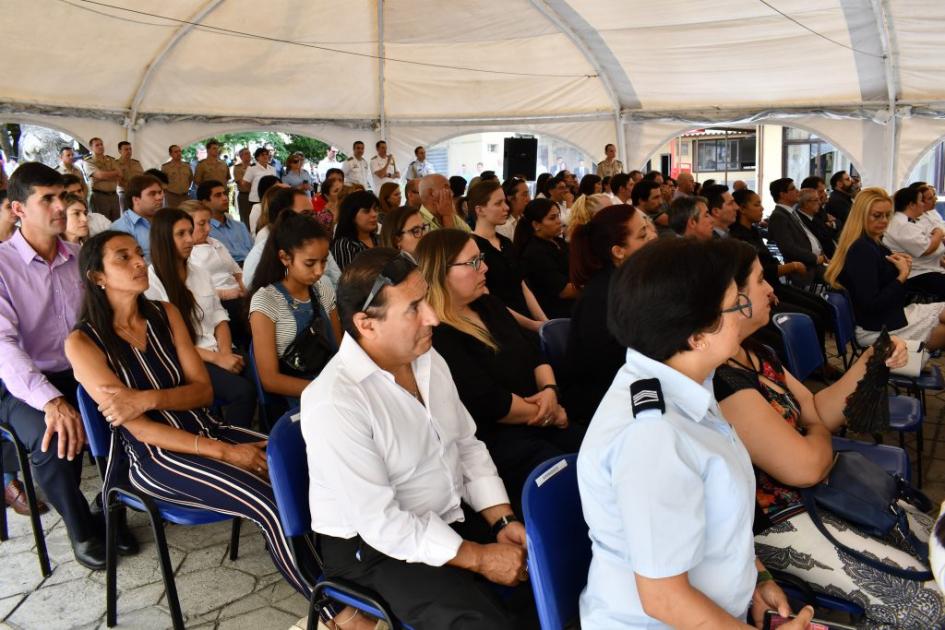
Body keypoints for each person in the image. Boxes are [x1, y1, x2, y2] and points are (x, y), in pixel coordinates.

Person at [578, 237, 809, 629]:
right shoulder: (653, 437)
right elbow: (664, 599)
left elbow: (716, 517)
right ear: (697, 336)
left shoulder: (684, 383)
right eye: (736, 301)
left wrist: (756, 580)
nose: (745, 310)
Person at [64, 230, 310, 597]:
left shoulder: (165, 314)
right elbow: (143, 431)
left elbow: (203, 390)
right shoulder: (83, 343)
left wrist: (145, 398)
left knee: (307, 464)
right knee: (271, 500)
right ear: (97, 277)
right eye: (122, 257)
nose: (138, 262)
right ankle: (335, 610)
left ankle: (350, 571)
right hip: (155, 459)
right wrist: (227, 452)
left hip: (208, 427)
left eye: (138, 254)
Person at [715, 242, 945, 629]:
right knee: (928, 603)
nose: (773, 289)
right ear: (730, 298)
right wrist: (816, 432)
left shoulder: (754, 352)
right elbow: (804, 467)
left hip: (820, 494)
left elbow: (818, 412)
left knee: (928, 539)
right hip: (775, 522)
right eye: (759, 281)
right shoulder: (722, 379)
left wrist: (876, 357)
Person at [304, 248, 536, 629]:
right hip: (374, 547)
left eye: (426, 299)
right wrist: (479, 557)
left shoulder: (427, 359)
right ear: (366, 324)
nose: (432, 317)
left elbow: (466, 444)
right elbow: (381, 523)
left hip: (447, 513)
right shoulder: (335, 401)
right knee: (484, 623)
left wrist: (501, 518)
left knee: (543, 574)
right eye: (414, 308)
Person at [0, 163, 138, 567]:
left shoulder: (79, 257)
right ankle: (81, 528)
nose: (60, 207)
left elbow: (104, 320)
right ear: (17, 209)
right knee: (54, 437)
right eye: (47, 199)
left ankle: (111, 508)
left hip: (81, 370)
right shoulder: (2, 266)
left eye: (63, 196)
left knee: (126, 416)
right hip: (23, 382)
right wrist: (51, 401)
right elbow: (5, 349)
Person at [418, 229, 583, 512]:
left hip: (543, 414)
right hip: (500, 440)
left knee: (598, 454)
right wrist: (549, 414)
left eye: (480, 258)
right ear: (441, 272)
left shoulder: (489, 304)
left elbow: (535, 353)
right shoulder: (439, 335)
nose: (484, 267)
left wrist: (550, 391)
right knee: (571, 481)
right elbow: (489, 402)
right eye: (472, 263)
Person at [565, 204, 655, 424]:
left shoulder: (634, 284)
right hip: (606, 407)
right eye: (643, 235)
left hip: (632, 389)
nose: (653, 238)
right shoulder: (600, 298)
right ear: (618, 251)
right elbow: (612, 369)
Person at [826, 187, 945, 348]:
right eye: (877, 215)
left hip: (887, 317)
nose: (884, 220)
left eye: (887, 215)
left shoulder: (871, 242)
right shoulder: (862, 249)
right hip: (876, 328)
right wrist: (902, 275)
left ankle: (919, 358)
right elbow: (871, 304)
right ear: (861, 216)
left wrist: (894, 261)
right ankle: (915, 359)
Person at [730, 189, 833, 362]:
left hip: (774, 285)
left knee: (821, 306)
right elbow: (764, 270)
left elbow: (768, 263)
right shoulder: (738, 238)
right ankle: (814, 364)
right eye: (756, 205)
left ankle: (818, 360)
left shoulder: (753, 231)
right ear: (742, 209)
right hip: (765, 291)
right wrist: (790, 266)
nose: (762, 208)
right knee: (812, 316)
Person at [249, 213, 339, 409]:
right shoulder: (266, 300)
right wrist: (324, 390)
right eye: (310, 263)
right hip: (298, 398)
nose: (319, 271)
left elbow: (338, 349)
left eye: (324, 261)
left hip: (332, 385)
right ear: (284, 258)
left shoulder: (322, 287)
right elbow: (270, 379)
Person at [468, 181, 547, 332]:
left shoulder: (506, 242)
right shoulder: (473, 248)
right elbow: (489, 299)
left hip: (526, 321)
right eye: (498, 203)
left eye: (504, 201)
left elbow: (522, 285)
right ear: (480, 210)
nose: (506, 207)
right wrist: (533, 325)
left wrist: (544, 321)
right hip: (501, 326)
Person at [513, 198, 577, 318]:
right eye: (552, 218)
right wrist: (592, 286)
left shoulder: (558, 241)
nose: (559, 221)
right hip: (557, 312)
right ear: (536, 225)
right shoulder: (535, 252)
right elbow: (564, 291)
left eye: (558, 216)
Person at [884, 185, 945, 300]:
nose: (923, 204)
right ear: (911, 205)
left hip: (930, 269)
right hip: (918, 275)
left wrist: (937, 235)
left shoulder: (912, 221)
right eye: (921, 201)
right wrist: (939, 233)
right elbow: (927, 249)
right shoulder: (902, 225)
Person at [196, 179, 253, 264]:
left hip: (251, 266)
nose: (225, 198)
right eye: (218, 195)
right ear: (205, 203)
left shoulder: (240, 226)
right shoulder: (205, 231)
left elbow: (253, 251)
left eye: (225, 194)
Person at [111, 173, 165, 261]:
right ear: (136, 199)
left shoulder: (165, 220)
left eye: (160, 192)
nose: (160, 197)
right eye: (152, 194)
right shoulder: (121, 228)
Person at [331, 190, 380, 271]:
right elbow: (351, 280)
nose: (374, 214)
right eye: (366, 211)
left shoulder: (379, 239)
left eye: (376, 209)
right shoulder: (344, 245)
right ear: (352, 215)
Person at [83, 137, 121, 220]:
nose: (100, 146)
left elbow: (120, 174)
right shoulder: (88, 162)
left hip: (114, 195)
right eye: (97, 145)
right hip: (99, 197)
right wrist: (112, 174)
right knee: (102, 224)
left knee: (116, 223)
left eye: (101, 144)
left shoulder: (111, 159)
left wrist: (103, 176)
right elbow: (100, 175)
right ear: (91, 148)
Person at [161, 145, 193, 209]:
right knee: (173, 216)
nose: (179, 153)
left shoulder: (187, 166)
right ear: (170, 154)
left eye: (180, 151)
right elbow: (162, 182)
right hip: (172, 197)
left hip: (185, 196)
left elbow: (190, 179)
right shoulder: (165, 167)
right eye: (176, 152)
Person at [115, 141, 144, 212]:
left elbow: (143, 177)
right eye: (126, 149)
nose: (129, 151)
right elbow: (117, 181)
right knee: (126, 214)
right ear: (119, 151)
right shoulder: (115, 164)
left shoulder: (136, 163)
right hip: (124, 193)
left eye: (130, 149)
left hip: (138, 193)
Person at [233, 147, 253, 225]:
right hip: (245, 196)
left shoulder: (255, 166)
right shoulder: (237, 168)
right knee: (245, 220)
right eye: (246, 154)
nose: (249, 155)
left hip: (255, 196)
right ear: (241, 156)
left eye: (249, 153)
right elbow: (242, 183)